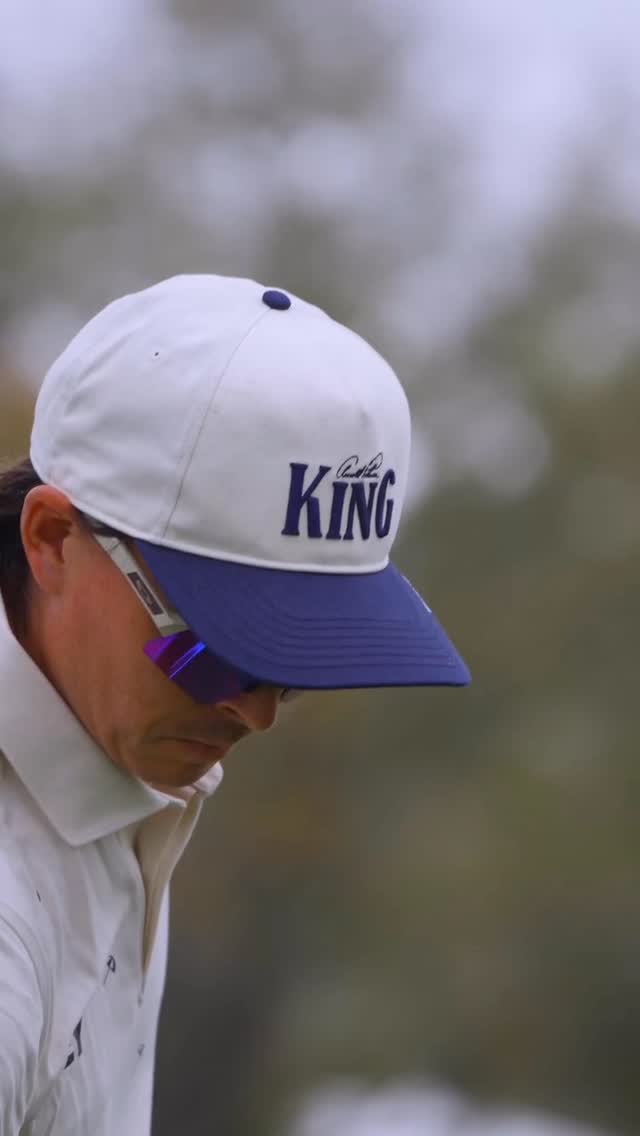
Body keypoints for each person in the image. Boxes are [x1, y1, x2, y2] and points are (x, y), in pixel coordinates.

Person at [0, 274, 470, 1133]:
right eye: (218, 655)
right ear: (52, 539)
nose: (255, 714)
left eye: (294, 666)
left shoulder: (120, 758)